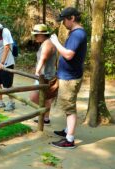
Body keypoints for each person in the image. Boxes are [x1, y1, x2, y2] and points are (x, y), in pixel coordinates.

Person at [49, 7, 87, 148]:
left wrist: (56, 42)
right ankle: (67, 131)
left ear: (71, 18)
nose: (63, 23)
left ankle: (69, 140)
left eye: (64, 20)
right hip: (69, 75)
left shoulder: (77, 34)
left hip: (70, 78)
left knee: (69, 108)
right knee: (68, 106)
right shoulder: (76, 33)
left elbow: (69, 54)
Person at [29, 24, 57, 126]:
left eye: (36, 35)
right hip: (45, 75)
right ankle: (45, 118)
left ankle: (44, 116)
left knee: (35, 97)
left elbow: (43, 58)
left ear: (42, 34)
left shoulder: (47, 44)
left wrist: (37, 71)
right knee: (45, 98)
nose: (35, 37)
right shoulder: (45, 43)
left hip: (45, 76)